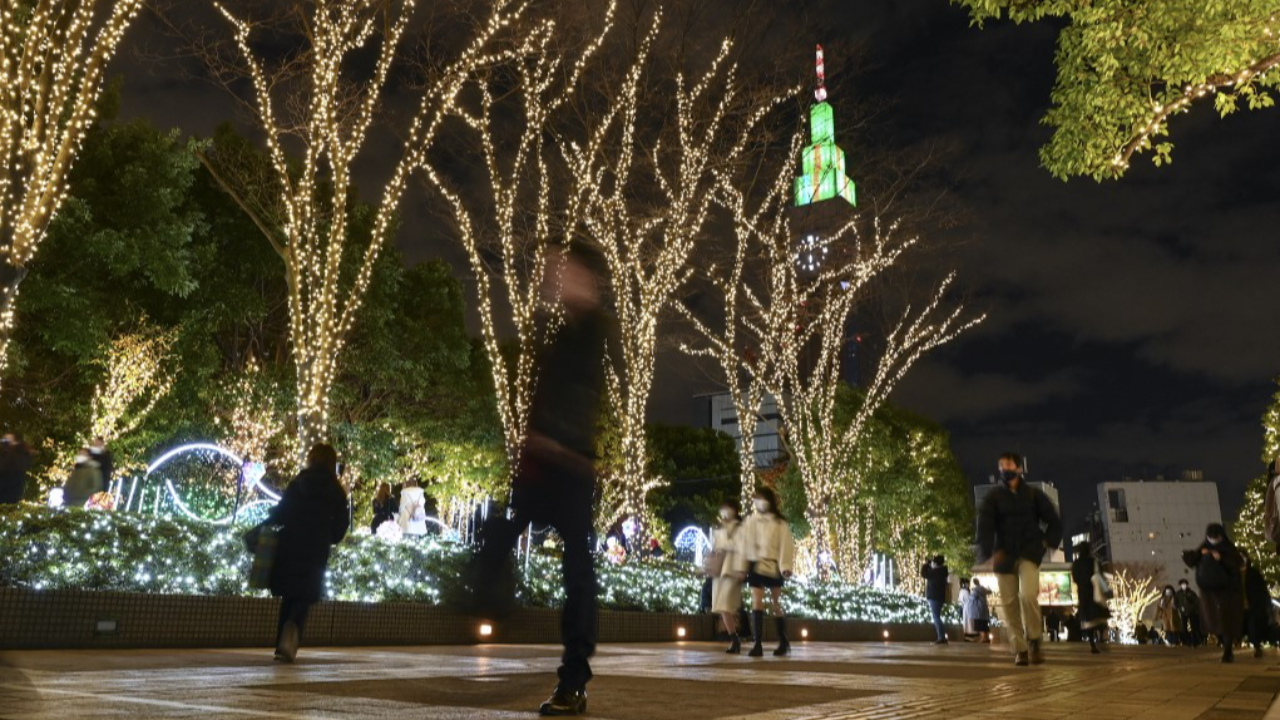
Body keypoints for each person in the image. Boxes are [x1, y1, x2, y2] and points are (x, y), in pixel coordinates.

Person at [470, 245, 614, 716]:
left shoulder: (591, 331)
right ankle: (491, 604)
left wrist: (554, 441)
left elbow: (580, 393)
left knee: (578, 572)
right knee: (500, 536)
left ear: (586, 279)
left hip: (569, 466)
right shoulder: (562, 329)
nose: (554, 276)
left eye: (562, 269)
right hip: (545, 463)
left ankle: (573, 678)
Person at [264, 443, 350, 662]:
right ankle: (291, 637)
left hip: (291, 543)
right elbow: (341, 523)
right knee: (305, 594)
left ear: (312, 459)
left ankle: (280, 645)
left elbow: (283, 510)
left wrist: (268, 524)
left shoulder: (300, 482)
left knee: (290, 594)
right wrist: (330, 536)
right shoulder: (336, 490)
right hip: (316, 547)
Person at [975, 452, 1062, 666]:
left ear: (1019, 468)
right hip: (1003, 555)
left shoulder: (1033, 494)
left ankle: (1034, 640)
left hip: (1028, 553)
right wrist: (987, 552)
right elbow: (984, 524)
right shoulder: (994, 497)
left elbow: (1054, 520)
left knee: (1027, 595)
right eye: (1001, 465)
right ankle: (1020, 650)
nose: (1004, 469)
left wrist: (1046, 542)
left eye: (1008, 464)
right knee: (1009, 604)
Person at [740, 486, 796, 658]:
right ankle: (757, 643)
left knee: (776, 604)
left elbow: (786, 544)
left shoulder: (780, 523)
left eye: (761, 498)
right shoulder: (751, 521)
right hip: (756, 564)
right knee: (756, 602)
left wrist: (786, 566)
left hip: (774, 564)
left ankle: (783, 641)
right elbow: (745, 544)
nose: (759, 502)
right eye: (757, 498)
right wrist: (743, 565)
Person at [1183, 523, 1244, 663]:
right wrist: (1200, 553)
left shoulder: (1229, 548)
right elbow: (1190, 560)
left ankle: (1228, 650)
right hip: (1208, 590)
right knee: (1212, 619)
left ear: (1221, 537)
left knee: (1227, 619)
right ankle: (1224, 644)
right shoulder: (1204, 547)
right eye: (1210, 538)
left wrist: (1221, 558)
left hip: (1227, 590)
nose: (1213, 541)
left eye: (1216, 538)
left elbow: (1238, 564)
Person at [710, 501, 745, 653]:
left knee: (727, 604)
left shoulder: (739, 527)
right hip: (719, 571)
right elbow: (716, 547)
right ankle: (734, 638)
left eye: (727, 508)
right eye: (723, 509)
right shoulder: (720, 527)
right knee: (723, 607)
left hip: (732, 569)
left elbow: (739, 547)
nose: (724, 512)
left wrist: (742, 569)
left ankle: (737, 638)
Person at [1071, 540, 1110, 654]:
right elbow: (1100, 576)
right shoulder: (1093, 561)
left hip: (1083, 594)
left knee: (1088, 620)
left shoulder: (1076, 564)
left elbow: (1075, 578)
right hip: (1094, 592)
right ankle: (1101, 638)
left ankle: (1092, 643)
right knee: (1099, 616)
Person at [1243, 552, 1272, 658]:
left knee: (1254, 628)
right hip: (1237, 606)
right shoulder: (1233, 573)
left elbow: (1261, 590)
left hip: (1253, 606)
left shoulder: (1253, 573)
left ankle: (1257, 647)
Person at [921, 555, 950, 645]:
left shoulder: (936, 572)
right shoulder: (942, 571)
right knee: (937, 616)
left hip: (934, 597)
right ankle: (941, 637)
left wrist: (926, 564)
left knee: (936, 617)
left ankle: (941, 637)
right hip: (939, 597)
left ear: (936, 563)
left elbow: (924, 574)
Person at [0, 433, 33, 504]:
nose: (3, 442)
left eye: (6, 440)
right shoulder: (20, 454)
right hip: (12, 494)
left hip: (7, 493)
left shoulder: (15, 455)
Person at [1176, 579, 1202, 647]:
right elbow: (1176, 603)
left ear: (1187, 585)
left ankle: (1194, 642)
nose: (1183, 586)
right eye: (1182, 584)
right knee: (1184, 627)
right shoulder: (1178, 594)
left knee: (1194, 627)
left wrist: (1191, 608)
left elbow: (1196, 601)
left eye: (1185, 584)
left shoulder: (1191, 593)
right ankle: (1188, 641)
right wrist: (1180, 607)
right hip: (1183, 612)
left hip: (1192, 612)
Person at [967, 577, 992, 643]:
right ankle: (986, 637)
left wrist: (971, 593)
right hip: (983, 608)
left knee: (979, 624)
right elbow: (989, 592)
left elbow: (972, 598)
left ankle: (983, 638)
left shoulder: (976, 590)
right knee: (984, 624)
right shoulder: (983, 589)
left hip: (977, 609)